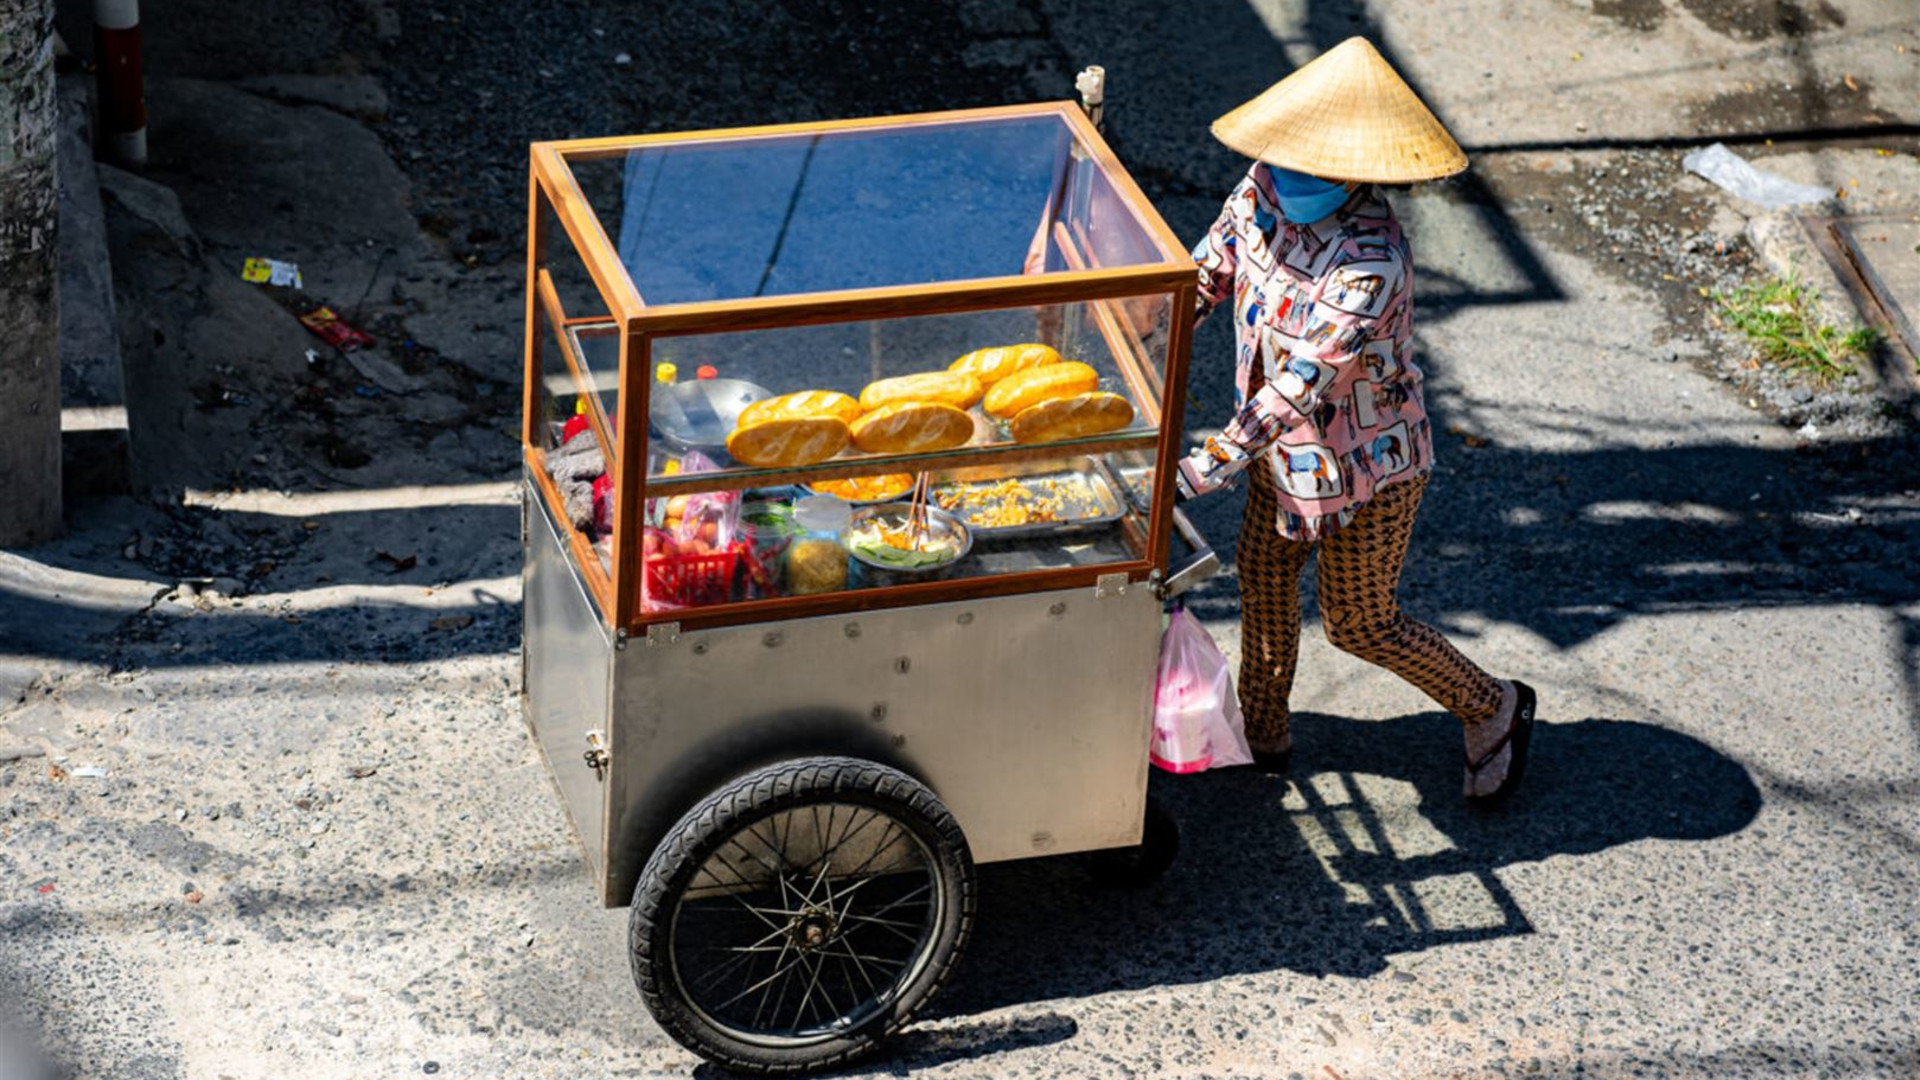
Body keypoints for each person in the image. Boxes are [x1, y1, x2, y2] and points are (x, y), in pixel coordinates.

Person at [1174, 38, 1536, 803]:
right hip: (1278, 457)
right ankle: (1260, 735)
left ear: (1354, 174)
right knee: (1264, 584)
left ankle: (1493, 705)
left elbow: (1301, 383)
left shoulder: (1373, 259)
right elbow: (1207, 272)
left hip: (1369, 465)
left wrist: (1204, 466)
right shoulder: (1258, 191)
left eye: (1318, 167)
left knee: (1360, 622)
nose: (1291, 176)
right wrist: (1142, 322)